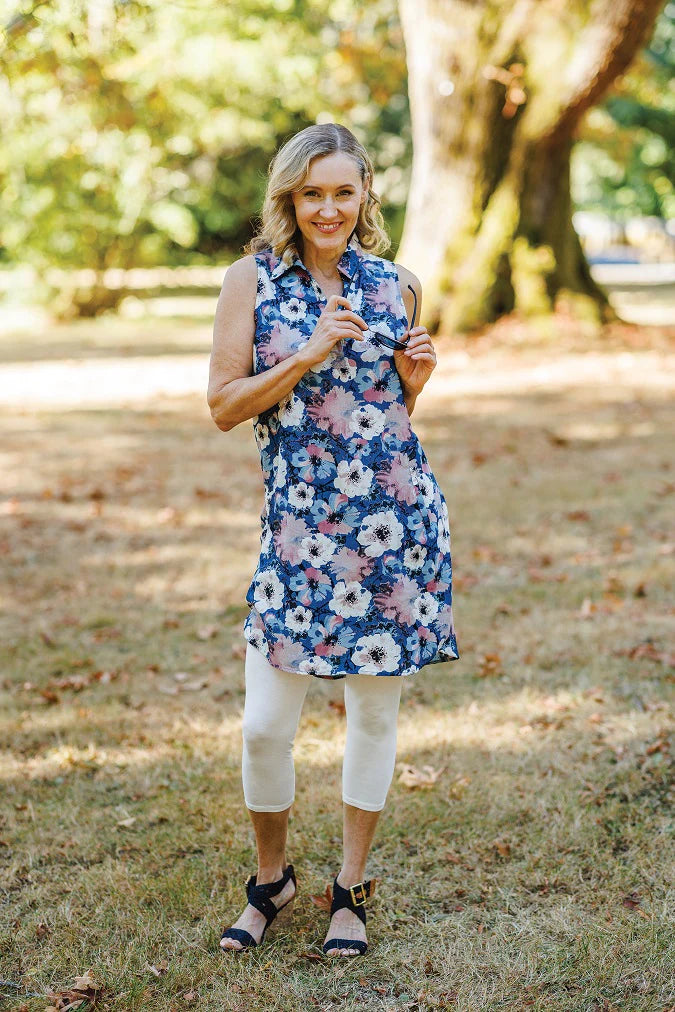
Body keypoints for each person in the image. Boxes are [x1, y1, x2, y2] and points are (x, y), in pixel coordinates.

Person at [207, 123, 459, 958]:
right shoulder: (250, 281)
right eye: (311, 192)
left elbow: (384, 421)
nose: (327, 208)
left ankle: (349, 891)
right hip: (297, 533)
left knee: (371, 719)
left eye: (342, 192)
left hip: (392, 528)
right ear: (289, 196)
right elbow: (224, 405)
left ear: (364, 196)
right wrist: (309, 352)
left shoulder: (398, 286)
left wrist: (413, 385)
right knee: (265, 727)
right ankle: (271, 880)